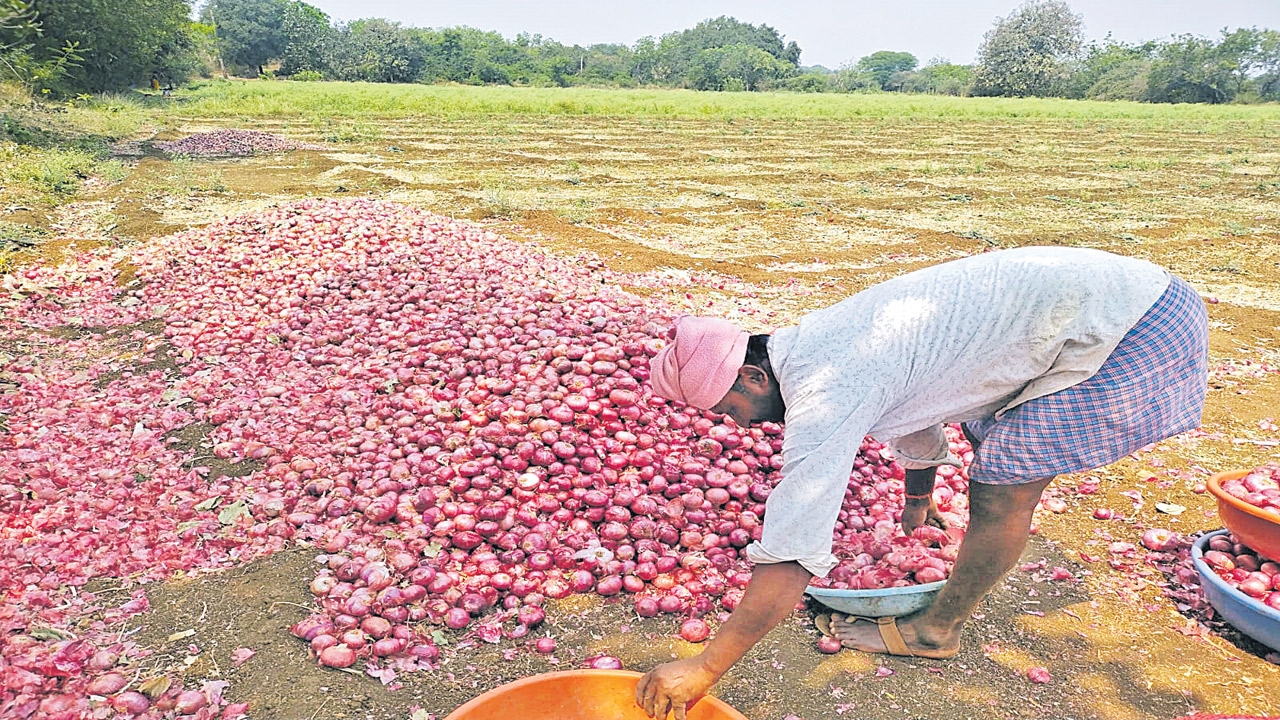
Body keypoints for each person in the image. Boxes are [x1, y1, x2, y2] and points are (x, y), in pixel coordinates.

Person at [633, 246, 1208, 719]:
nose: (737, 423)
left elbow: (794, 547)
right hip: (1107, 300)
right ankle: (946, 605)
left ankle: (938, 630)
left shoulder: (826, 388)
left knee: (1003, 486)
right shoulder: (816, 347)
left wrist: (706, 666)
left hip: (1132, 326)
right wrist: (916, 502)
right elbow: (915, 404)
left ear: (754, 375)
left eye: (730, 408)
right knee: (995, 439)